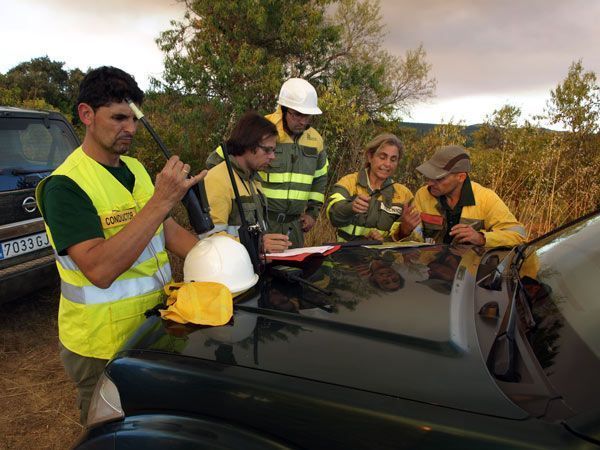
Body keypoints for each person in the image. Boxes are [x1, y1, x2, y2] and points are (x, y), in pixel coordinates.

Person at [35, 66, 205, 423]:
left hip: (153, 327)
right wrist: (161, 200)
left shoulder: (136, 169)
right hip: (101, 346)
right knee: (112, 434)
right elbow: (99, 270)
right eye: (118, 118)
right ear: (86, 115)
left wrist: (218, 256)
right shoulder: (64, 187)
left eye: (134, 119)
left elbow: (168, 231)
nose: (130, 128)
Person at [206, 78, 327, 248]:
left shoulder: (316, 140)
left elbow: (320, 178)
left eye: (308, 116)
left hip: (295, 226)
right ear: (283, 110)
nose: (303, 121)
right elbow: (217, 161)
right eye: (297, 114)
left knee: (294, 272)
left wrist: (313, 213)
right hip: (263, 222)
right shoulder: (262, 130)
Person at [203, 111, 291, 253]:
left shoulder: (254, 181)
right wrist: (259, 244)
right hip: (230, 272)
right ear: (249, 144)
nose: (273, 157)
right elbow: (210, 239)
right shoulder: (217, 179)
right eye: (267, 150)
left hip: (252, 269)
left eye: (274, 150)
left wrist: (266, 244)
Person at [412, 144, 527, 247]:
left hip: (468, 268)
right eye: (429, 177)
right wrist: (404, 230)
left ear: (461, 177)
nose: (430, 183)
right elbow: (413, 240)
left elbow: (518, 236)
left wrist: (481, 238)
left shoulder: (486, 198)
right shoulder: (423, 195)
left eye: (439, 178)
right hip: (430, 267)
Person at [326, 133, 420, 242]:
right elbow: (333, 215)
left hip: (384, 257)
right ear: (370, 156)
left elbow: (412, 240)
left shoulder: (404, 194)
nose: (387, 164)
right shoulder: (349, 182)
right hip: (345, 256)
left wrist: (403, 231)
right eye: (382, 157)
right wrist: (351, 207)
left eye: (393, 159)